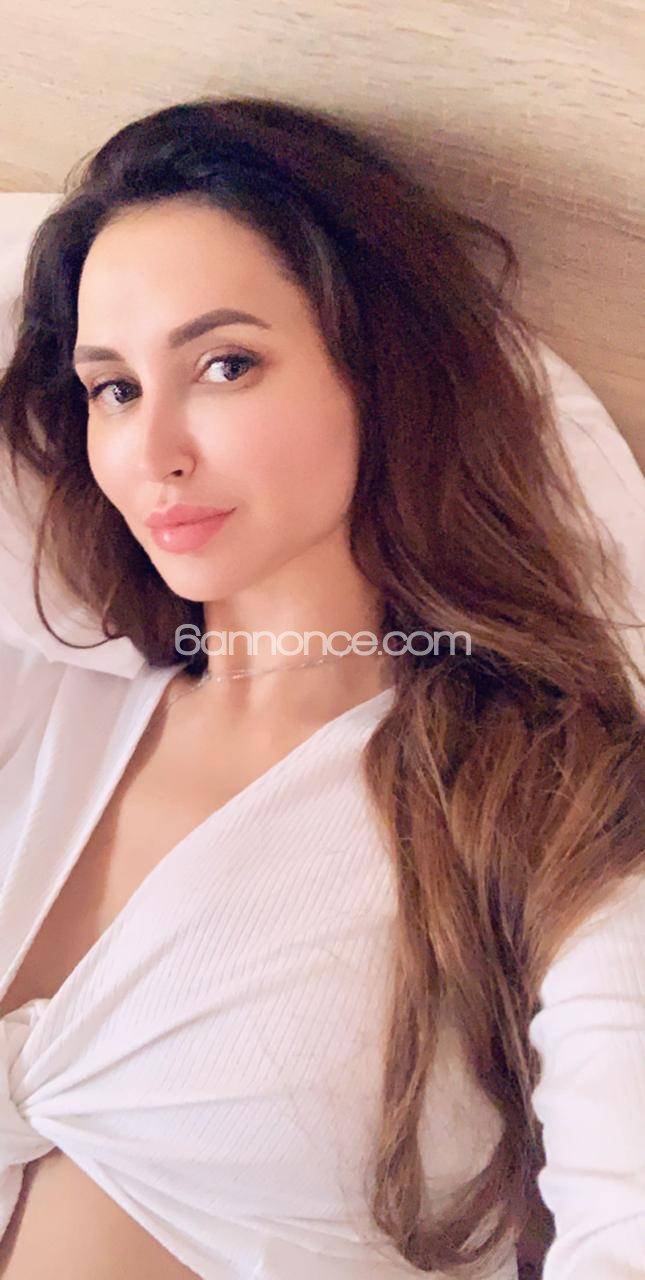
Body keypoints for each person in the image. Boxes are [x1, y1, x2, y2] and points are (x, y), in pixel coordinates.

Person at [0, 95, 643, 1280]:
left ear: (378, 374)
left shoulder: (535, 791)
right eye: (114, 387)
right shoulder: (47, 705)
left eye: (225, 364)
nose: (153, 452)